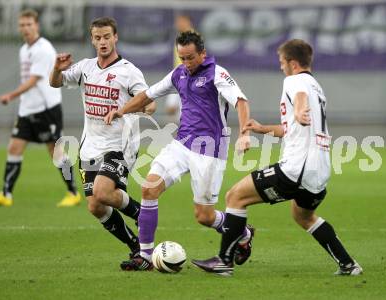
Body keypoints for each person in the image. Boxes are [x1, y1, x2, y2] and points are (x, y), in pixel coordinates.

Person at [192, 39, 363, 277]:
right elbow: (291, 128)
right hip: (319, 171)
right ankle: (348, 264)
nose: (281, 67)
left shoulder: (295, 81)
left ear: (292, 63)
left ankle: (224, 261)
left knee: (235, 196)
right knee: (303, 215)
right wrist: (261, 129)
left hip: (296, 169)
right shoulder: (317, 87)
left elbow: (300, 98)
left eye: (282, 62)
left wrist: (300, 109)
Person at [105, 30, 254, 271]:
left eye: (190, 58)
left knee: (204, 216)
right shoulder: (179, 74)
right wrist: (122, 111)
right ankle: (144, 256)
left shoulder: (217, 73)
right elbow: (147, 94)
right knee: (148, 187)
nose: (186, 63)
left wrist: (245, 134)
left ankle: (244, 233)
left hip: (209, 151)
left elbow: (241, 101)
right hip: (181, 144)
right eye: (181, 58)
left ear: (203, 54)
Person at [50, 17, 156, 258]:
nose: (103, 42)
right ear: (92, 40)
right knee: (95, 206)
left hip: (120, 145)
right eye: (98, 38)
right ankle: (135, 246)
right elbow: (55, 83)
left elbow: (150, 104)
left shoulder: (128, 72)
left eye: (107, 37)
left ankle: (142, 215)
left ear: (115, 37)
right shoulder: (86, 67)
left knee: (103, 192)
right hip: (90, 147)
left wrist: (131, 109)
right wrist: (57, 68)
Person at [0, 9, 80, 208]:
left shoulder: (43, 49)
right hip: (27, 109)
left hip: (46, 108)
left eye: (29, 24)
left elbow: (34, 80)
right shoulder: (24, 49)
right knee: (14, 147)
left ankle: (73, 192)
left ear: (37, 26)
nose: (25, 28)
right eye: (22, 25)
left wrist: (11, 95)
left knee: (56, 152)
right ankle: (6, 193)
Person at [165, 14, 194, 118]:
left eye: (180, 21)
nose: (177, 24)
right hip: (178, 75)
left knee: (179, 111)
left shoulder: (193, 38)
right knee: (171, 109)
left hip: (187, 77)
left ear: (187, 21)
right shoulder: (180, 37)